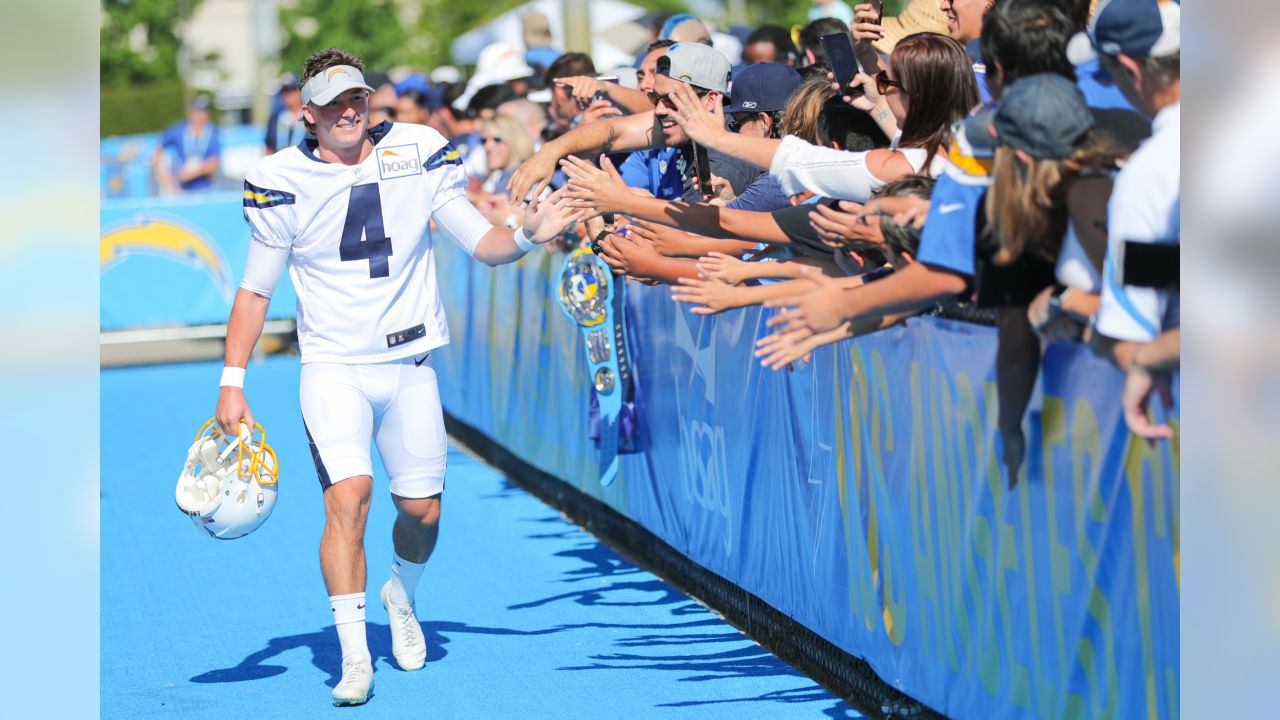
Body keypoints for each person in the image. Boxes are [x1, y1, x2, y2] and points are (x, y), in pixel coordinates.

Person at [217, 48, 579, 707]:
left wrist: (528, 235)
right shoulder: (280, 178)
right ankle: (355, 656)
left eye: (356, 97)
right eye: (332, 102)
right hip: (334, 367)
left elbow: (483, 244)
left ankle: (401, 595)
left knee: (421, 512)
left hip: (411, 364)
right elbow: (254, 293)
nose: (348, 110)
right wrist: (232, 381)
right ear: (308, 114)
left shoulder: (419, 149)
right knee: (348, 498)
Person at [1087, 0, 1180, 370]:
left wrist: (1078, 317)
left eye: (1105, 73)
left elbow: (1128, 335)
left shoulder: (1147, 174)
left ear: (1130, 70)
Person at [153, 95, 221, 193]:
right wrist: (161, 174)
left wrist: (193, 172)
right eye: (197, 112)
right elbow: (159, 148)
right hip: (180, 189)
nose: (200, 116)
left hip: (205, 188)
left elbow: (214, 162)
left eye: (203, 112)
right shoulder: (178, 130)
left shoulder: (212, 132)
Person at [265, 80, 305, 155]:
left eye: (291, 91)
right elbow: (269, 148)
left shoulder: (310, 116)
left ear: (299, 92)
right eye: (284, 92)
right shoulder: (276, 118)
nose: (286, 95)